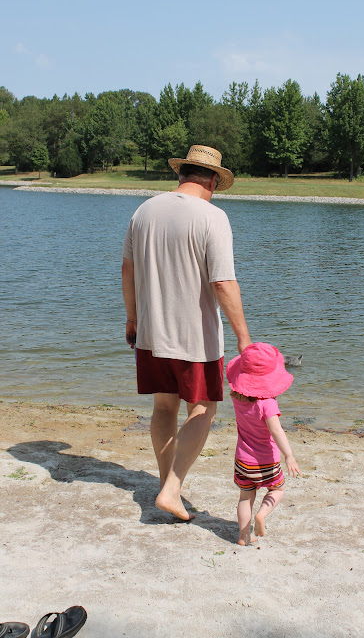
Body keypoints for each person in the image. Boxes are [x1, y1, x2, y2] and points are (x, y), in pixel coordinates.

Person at [122, 145, 251, 521]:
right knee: (203, 409)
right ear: (212, 181)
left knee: (164, 407)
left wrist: (132, 319)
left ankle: (168, 485)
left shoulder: (144, 210)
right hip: (195, 338)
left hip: (151, 332)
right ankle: (172, 489)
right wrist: (243, 337)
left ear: (181, 175)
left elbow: (127, 269)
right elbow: (223, 283)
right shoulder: (213, 216)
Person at [226, 342, 301, 545]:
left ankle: (243, 536)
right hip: (267, 461)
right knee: (277, 490)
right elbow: (276, 431)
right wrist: (289, 456)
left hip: (243, 461)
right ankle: (262, 514)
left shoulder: (237, 399)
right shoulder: (268, 404)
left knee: (245, 497)